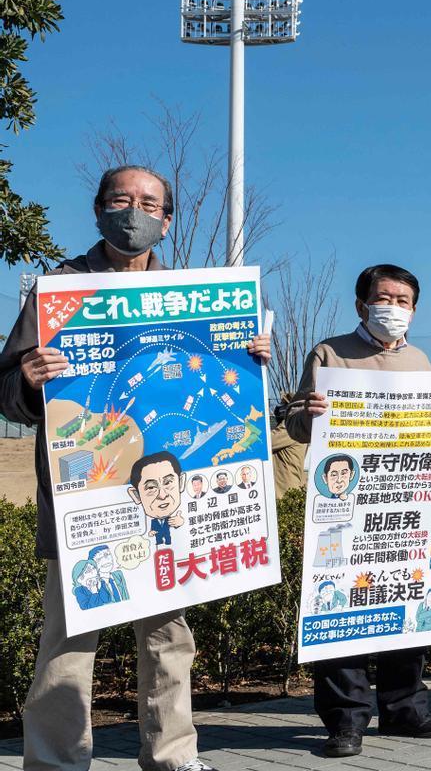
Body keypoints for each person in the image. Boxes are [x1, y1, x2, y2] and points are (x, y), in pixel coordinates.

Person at [0, 164, 270, 771]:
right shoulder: (59, 291)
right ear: (97, 211)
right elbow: (6, 390)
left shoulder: (197, 297)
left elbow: (231, 399)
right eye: (120, 200)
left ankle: (174, 755)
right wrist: (26, 379)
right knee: (68, 644)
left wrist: (250, 358)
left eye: (149, 202)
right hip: (86, 501)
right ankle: (54, 761)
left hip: (173, 501)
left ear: (167, 221)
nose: (134, 212)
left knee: (170, 638)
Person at [287, 263, 431, 759]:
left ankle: (405, 711)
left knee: (407, 601)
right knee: (340, 609)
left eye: (404, 301)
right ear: (361, 304)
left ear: (414, 310)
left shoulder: (421, 360)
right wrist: (307, 416)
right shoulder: (330, 353)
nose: (394, 308)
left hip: (411, 502)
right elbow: (293, 424)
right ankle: (346, 721)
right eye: (385, 298)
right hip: (348, 505)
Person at [128, 452, 184, 548]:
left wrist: (180, 522)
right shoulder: (151, 522)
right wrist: (151, 533)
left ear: (181, 482)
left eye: (168, 482)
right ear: (136, 495)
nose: (162, 495)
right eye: (151, 488)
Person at [270, 395, 307, 497]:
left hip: (285, 491)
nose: (280, 408)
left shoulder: (290, 428)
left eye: (284, 405)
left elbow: (267, 442)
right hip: (286, 488)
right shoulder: (294, 425)